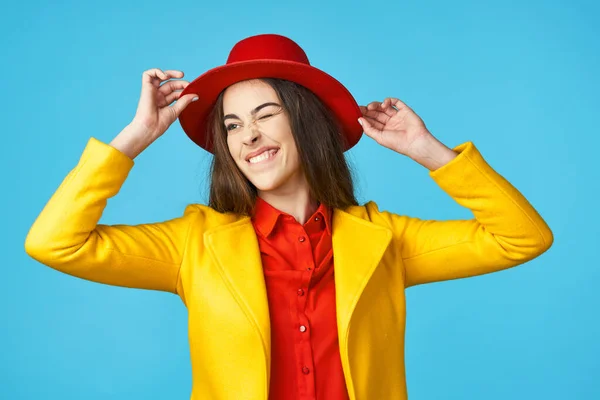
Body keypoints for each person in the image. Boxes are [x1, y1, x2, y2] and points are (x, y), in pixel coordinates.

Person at [24, 34, 553, 400]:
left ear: (306, 124)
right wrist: (133, 140)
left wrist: (427, 150)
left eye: (266, 114)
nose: (247, 136)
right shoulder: (194, 245)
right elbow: (54, 243)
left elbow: (522, 239)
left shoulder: (385, 241)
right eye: (231, 126)